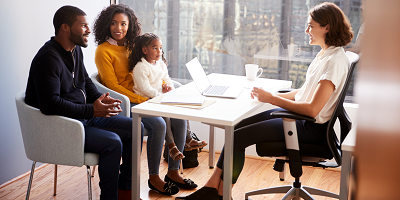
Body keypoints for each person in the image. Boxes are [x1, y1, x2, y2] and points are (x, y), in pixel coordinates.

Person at [176, 2, 354, 200]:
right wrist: (272, 95)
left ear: (327, 27)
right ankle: (213, 189)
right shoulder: (325, 54)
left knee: (237, 138)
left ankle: (221, 193)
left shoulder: (335, 61)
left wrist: (272, 99)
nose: (307, 30)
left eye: (311, 26)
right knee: (234, 129)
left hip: (310, 129)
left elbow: (312, 109)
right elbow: (303, 92)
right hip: (301, 121)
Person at [24, 5, 142, 200]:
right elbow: (50, 104)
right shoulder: (48, 59)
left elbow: (85, 80)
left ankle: (126, 191)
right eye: (84, 26)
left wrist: (98, 98)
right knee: (112, 143)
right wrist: (91, 110)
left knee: (135, 128)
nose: (89, 30)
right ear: (65, 28)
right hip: (62, 126)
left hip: (82, 117)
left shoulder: (75, 50)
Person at [93, 4, 198, 196]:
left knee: (179, 119)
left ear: (130, 25)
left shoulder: (133, 46)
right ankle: (154, 178)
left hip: (145, 95)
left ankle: (174, 172)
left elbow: (154, 68)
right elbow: (113, 87)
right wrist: (142, 99)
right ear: (106, 25)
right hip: (127, 101)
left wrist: (162, 87)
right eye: (114, 23)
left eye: (123, 24)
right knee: (158, 124)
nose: (119, 28)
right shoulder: (103, 51)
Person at [129, 32, 188, 162]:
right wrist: (160, 97)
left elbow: (167, 79)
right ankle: (172, 146)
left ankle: (188, 139)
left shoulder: (160, 63)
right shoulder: (140, 67)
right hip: (146, 101)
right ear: (145, 50)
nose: (159, 51)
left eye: (160, 48)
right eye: (155, 48)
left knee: (182, 110)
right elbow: (145, 88)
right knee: (164, 115)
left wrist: (169, 89)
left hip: (158, 98)